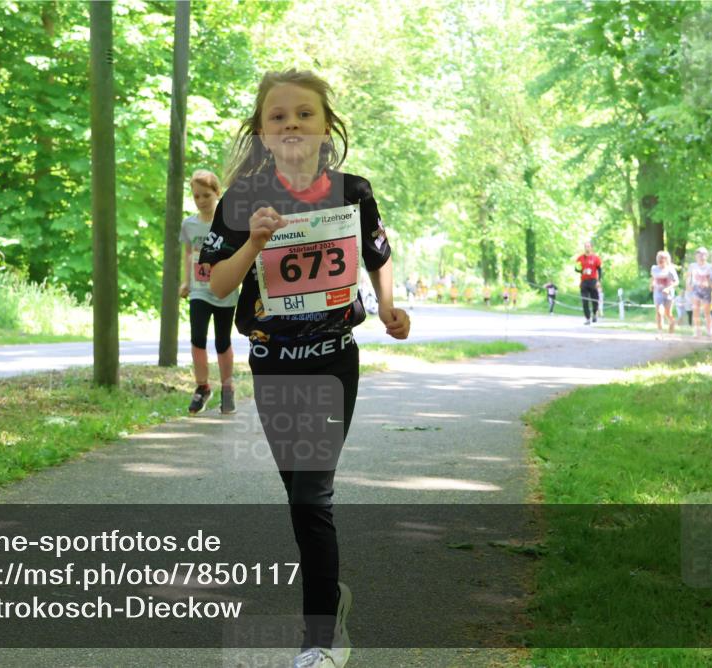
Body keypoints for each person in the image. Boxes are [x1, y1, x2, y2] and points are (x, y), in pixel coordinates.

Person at [201, 69, 410, 668]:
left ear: (326, 127)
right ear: (262, 133)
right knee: (299, 494)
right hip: (271, 360)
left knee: (312, 496)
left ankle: (321, 637)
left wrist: (389, 306)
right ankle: (331, 601)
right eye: (278, 116)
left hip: (333, 359)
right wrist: (253, 243)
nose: (291, 123)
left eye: (304, 114)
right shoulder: (242, 199)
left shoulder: (353, 190)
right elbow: (216, 282)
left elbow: (378, 254)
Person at [179, 170, 239, 414]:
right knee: (197, 338)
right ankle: (202, 387)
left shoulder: (229, 224)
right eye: (196, 196)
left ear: (218, 193)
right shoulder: (189, 225)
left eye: (206, 195)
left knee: (222, 341)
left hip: (225, 291)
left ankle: (227, 388)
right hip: (199, 291)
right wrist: (186, 282)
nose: (201, 201)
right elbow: (188, 253)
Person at [650, 250, 679, 335]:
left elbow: (676, 282)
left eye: (662, 258)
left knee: (668, 313)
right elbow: (653, 278)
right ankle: (660, 332)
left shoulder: (670, 270)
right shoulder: (654, 268)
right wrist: (651, 285)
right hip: (658, 293)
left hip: (668, 294)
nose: (660, 260)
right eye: (659, 258)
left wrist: (668, 288)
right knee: (659, 312)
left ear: (666, 260)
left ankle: (672, 322)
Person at [688, 248, 712, 337]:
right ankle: (697, 331)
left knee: (707, 311)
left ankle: (709, 330)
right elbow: (689, 278)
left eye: (703, 254)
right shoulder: (692, 266)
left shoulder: (710, 266)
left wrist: (709, 284)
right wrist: (688, 286)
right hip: (696, 289)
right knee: (696, 310)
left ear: (706, 256)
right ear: (696, 256)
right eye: (699, 254)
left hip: (706, 290)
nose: (701, 256)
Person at [575, 241, 602, 325]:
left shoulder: (596, 258)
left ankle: (594, 313)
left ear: (591, 247)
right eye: (585, 246)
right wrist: (581, 270)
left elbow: (599, 270)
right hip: (584, 282)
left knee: (595, 300)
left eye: (588, 246)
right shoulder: (580, 258)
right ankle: (587, 318)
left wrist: (598, 281)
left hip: (593, 281)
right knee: (585, 300)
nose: (587, 248)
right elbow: (576, 269)